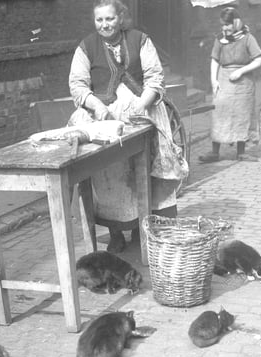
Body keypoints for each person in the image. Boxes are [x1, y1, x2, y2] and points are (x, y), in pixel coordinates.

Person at [68, 0, 188, 253]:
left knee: (144, 167)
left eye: (109, 19)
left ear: (120, 18)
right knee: (108, 171)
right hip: (104, 115)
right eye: (99, 20)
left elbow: (155, 78)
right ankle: (115, 233)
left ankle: (141, 226)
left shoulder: (140, 40)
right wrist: (97, 107)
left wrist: (142, 105)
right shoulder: (86, 46)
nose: (104, 25)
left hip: (141, 109)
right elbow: (78, 85)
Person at [198, 7, 261, 163]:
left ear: (236, 22)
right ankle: (215, 152)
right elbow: (215, 59)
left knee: (242, 114)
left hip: (243, 82)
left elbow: (259, 60)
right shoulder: (220, 39)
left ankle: (241, 152)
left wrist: (241, 71)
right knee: (219, 113)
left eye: (228, 24)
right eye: (223, 25)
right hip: (224, 79)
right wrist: (214, 80)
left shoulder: (248, 38)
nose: (225, 28)